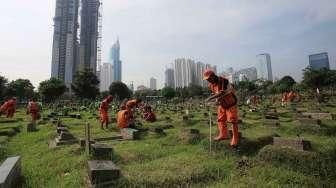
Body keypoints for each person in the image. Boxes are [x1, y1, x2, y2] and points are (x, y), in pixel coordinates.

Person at [204, 69, 239, 147]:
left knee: (233, 121)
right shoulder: (211, 85)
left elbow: (221, 93)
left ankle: (235, 138)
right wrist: (215, 101)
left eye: (209, 78)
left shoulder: (222, 80)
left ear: (213, 76)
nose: (208, 80)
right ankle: (223, 134)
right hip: (222, 104)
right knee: (220, 119)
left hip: (230, 103)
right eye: (207, 79)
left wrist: (210, 98)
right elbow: (217, 95)